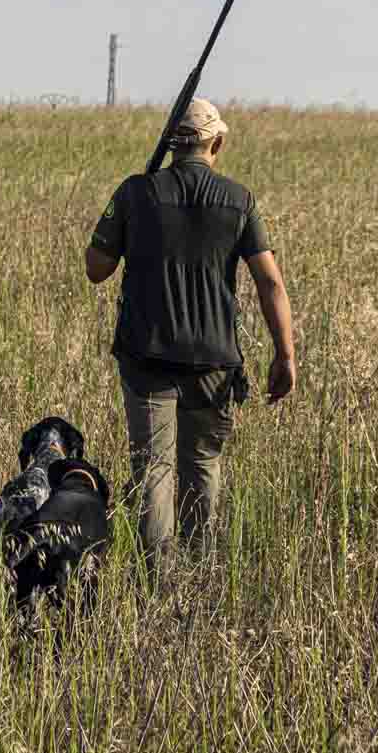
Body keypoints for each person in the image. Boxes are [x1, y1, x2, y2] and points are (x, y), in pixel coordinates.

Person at [84, 99, 295, 581]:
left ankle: (159, 585)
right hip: (214, 363)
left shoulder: (136, 192)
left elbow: (96, 269)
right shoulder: (239, 200)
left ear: (170, 145)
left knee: (154, 470)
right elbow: (271, 284)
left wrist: (127, 214)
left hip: (147, 359)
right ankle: (199, 580)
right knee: (202, 466)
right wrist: (285, 353)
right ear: (215, 143)